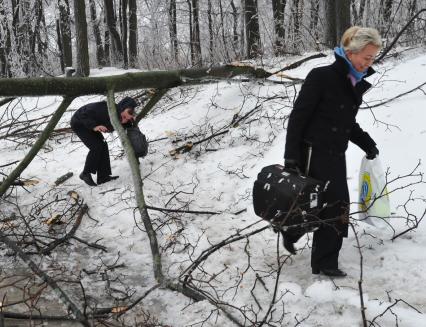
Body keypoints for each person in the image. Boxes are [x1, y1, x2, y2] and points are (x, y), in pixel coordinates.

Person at [283, 26, 382, 277]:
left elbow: (347, 123)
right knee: (330, 205)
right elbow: (298, 118)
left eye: (372, 58)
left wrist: (367, 143)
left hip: (336, 154)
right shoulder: (321, 76)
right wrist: (291, 157)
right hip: (312, 152)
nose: (369, 63)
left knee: (328, 205)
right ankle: (320, 259)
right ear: (351, 52)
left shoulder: (354, 83)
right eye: (366, 57)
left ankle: (310, 248)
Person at [71, 96, 137, 186]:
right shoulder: (104, 108)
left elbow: (126, 124)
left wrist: (131, 123)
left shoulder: (120, 116)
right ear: (121, 109)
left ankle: (103, 177)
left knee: (103, 145)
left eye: (127, 119)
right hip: (80, 123)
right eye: (124, 116)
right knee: (96, 146)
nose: (124, 120)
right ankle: (85, 173)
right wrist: (94, 126)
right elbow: (83, 115)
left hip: (92, 124)